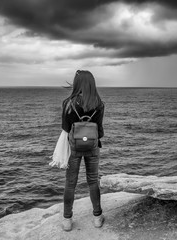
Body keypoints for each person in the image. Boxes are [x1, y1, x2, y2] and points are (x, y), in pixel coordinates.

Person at [61, 70, 105, 231]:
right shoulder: (99, 104)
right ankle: (97, 218)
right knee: (93, 181)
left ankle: (67, 221)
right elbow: (100, 131)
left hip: (74, 148)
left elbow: (65, 128)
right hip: (93, 147)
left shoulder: (68, 103)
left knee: (70, 183)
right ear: (92, 84)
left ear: (77, 83)